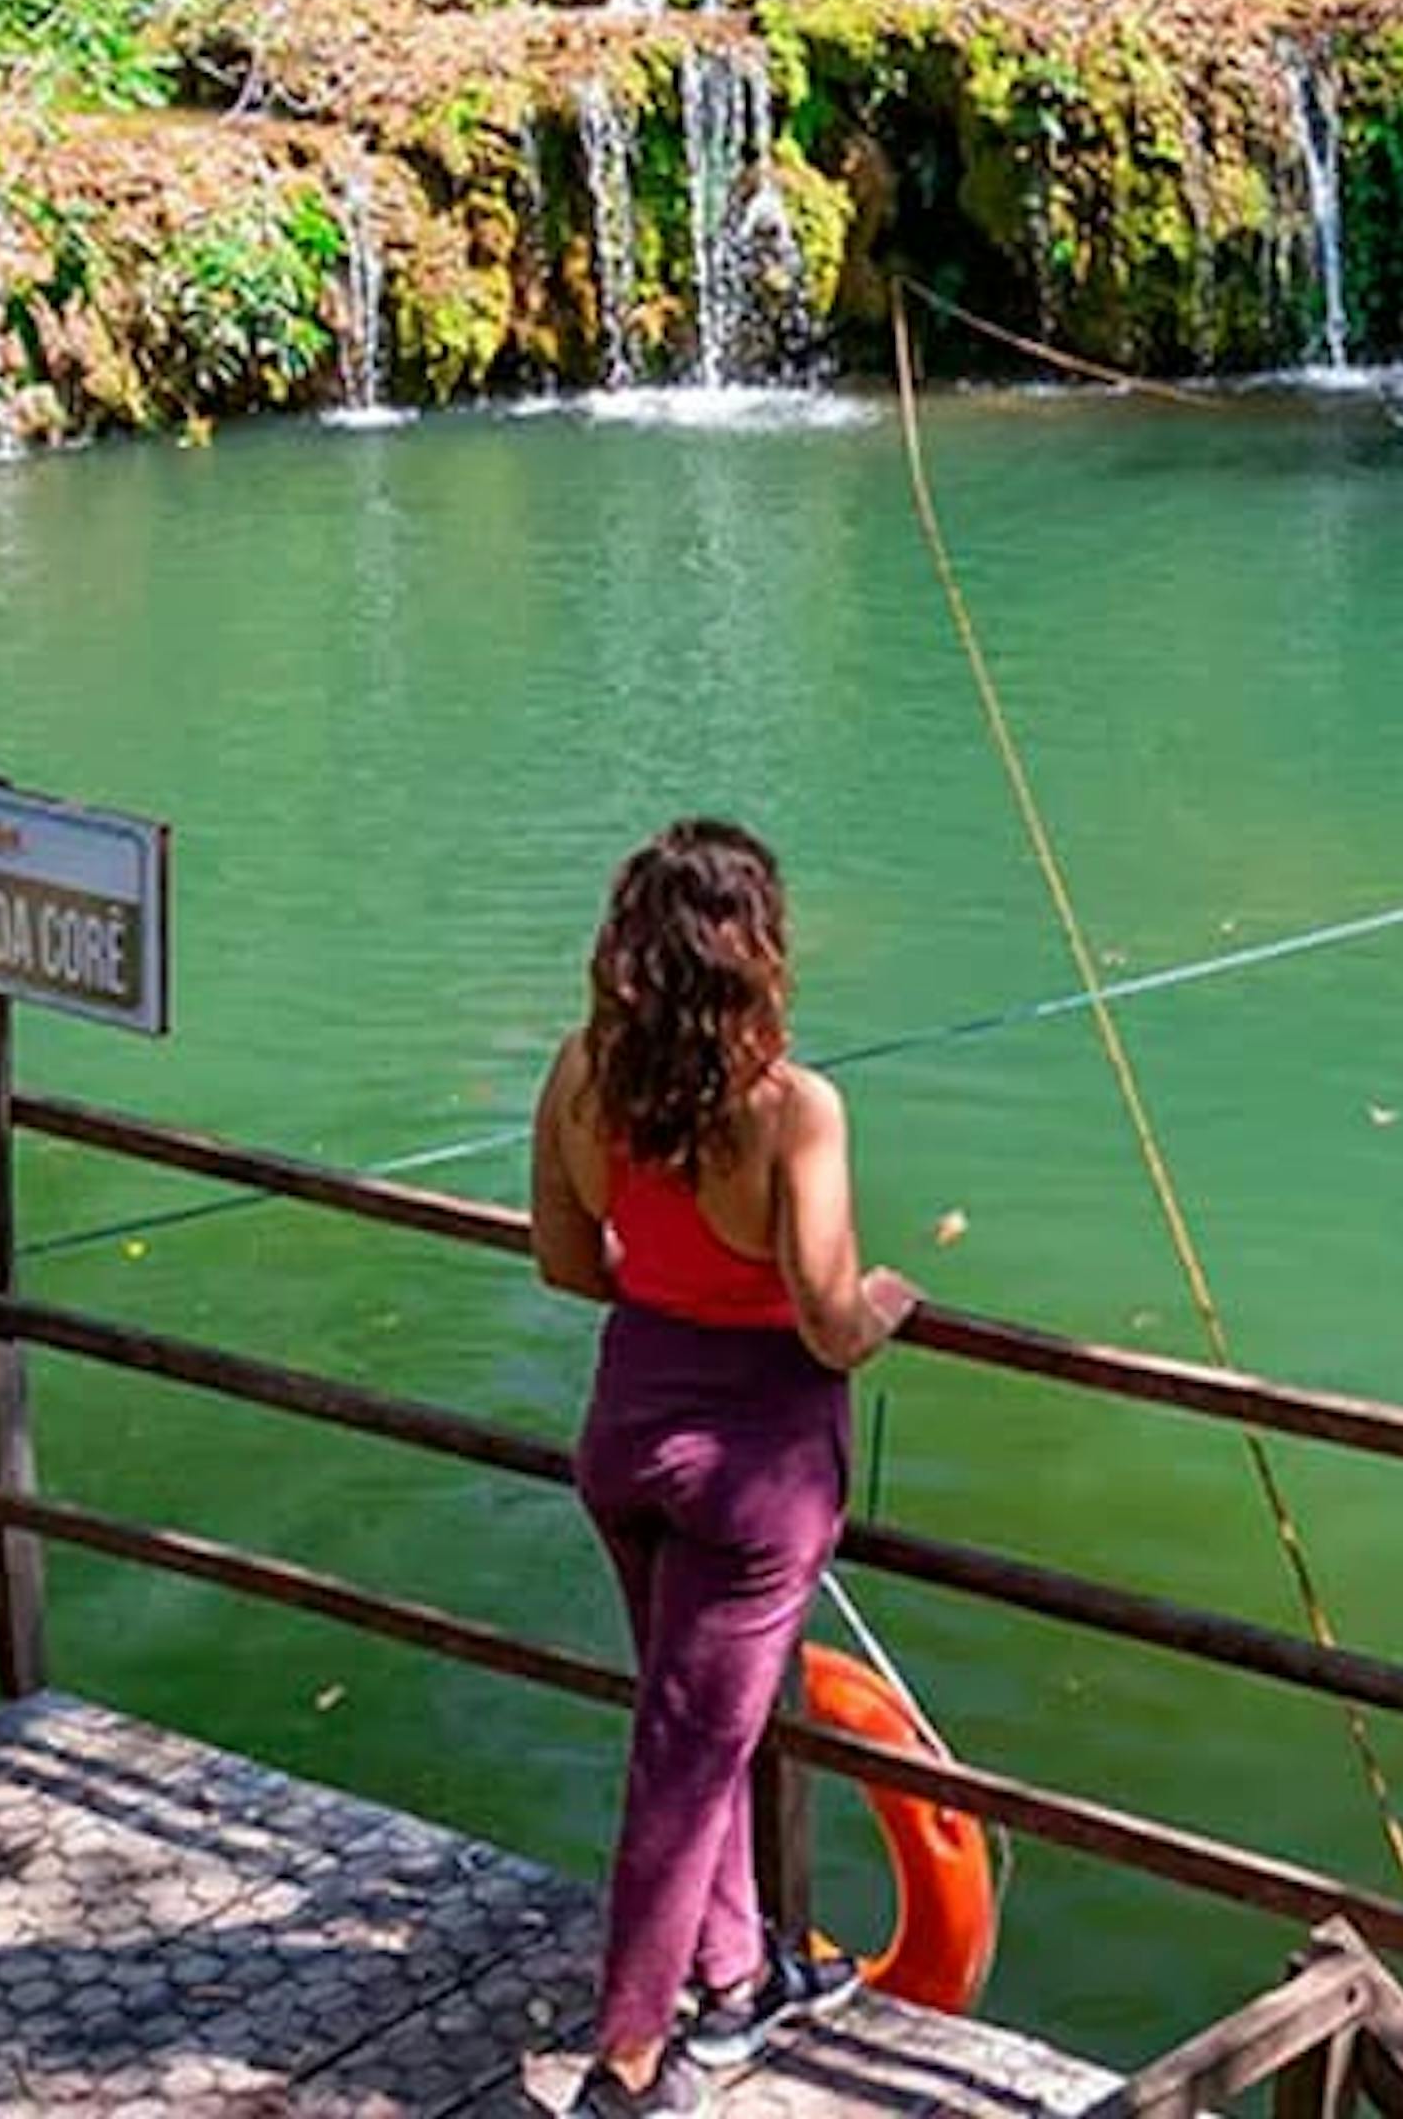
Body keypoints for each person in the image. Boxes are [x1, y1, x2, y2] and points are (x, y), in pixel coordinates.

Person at [530, 819, 924, 2116]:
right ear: (753, 956)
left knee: (692, 1724)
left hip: (625, 1439)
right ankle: (633, 2061)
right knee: (688, 1758)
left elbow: (569, 1264)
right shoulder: (796, 1110)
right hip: (756, 1482)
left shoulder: (582, 1078)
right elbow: (825, 1316)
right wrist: (887, 1303)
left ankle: (743, 1982)